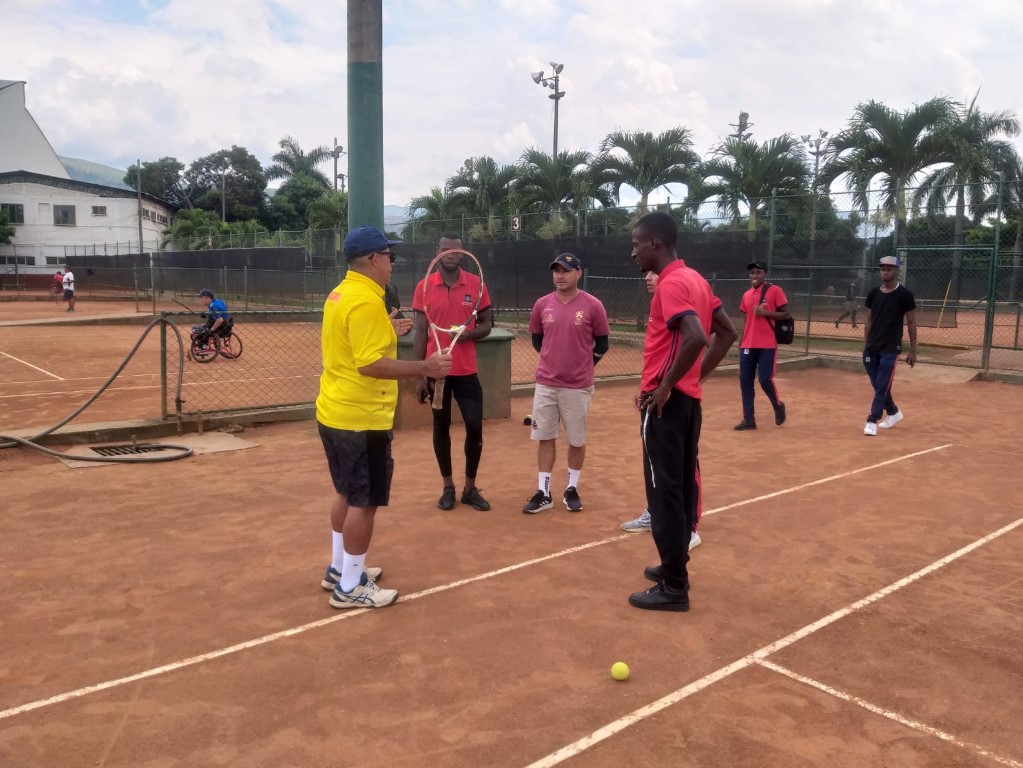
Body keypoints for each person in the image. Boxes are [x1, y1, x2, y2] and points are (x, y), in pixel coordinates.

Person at [317, 226, 451, 609]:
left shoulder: (342, 294)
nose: (392, 263)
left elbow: (351, 340)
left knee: (345, 491)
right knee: (364, 501)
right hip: (361, 419)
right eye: (389, 256)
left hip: (335, 412)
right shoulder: (363, 302)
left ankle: (340, 569)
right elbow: (370, 364)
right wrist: (425, 366)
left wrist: (386, 327)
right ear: (374, 259)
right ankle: (350, 588)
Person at [628, 212, 737, 612]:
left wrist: (667, 385)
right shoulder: (696, 279)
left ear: (655, 242)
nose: (633, 252)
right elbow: (726, 332)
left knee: (664, 494)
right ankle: (673, 566)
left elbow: (694, 337)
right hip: (686, 403)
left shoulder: (671, 285)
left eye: (637, 243)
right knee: (678, 488)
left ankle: (674, 587)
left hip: (666, 407)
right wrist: (693, 379)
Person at [621, 269, 704, 551]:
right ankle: (655, 512)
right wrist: (646, 387)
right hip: (659, 392)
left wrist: (671, 384)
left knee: (683, 468)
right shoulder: (666, 298)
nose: (646, 276)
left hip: (673, 399)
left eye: (653, 272)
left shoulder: (676, 287)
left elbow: (702, 337)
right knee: (659, 468)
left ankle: (690, 527)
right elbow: (659, 355)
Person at [521, 253, 610, 514]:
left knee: (576, 440)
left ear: (578, 273)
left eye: (566, 271)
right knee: (545, 437)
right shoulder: (541, 305)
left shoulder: (593, 306)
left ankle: (571, 488)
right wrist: (553, 361)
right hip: (546, 384)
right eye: (556, 270)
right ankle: (544, 492)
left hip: (578, 386)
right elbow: (538, 340)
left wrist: (583, 365)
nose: (560, 275)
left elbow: (602, 344)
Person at [411, 234, 494, 512]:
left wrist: (468, 335)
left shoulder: (476, 284)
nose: (451, 254)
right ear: (438, 252)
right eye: (445, 249)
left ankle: (470, 489)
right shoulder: (424, 287)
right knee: (440, 427)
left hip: (467, 372)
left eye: (456, 249)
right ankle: (448, 487)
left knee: (474, 426)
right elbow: (421, 333)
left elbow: (486, 324)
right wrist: (421, 374)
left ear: (462, 253)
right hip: (437, 373)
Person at [862, 255, 917, 436]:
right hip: (872, 346)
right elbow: (869, 319)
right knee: (878, 384)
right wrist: (866, 343)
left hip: (891, 347)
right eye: (882, 269)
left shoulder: (905, 295)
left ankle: (872, 420)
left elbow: (911, 323)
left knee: (882, 383)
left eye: (889, 269)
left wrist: (913, 350)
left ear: (896, 271)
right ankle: (892, 411)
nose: (885, 272)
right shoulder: (873, 293)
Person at [733, 260, 788, 431]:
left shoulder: (775, 291)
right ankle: (749, 419)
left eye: (758, 272)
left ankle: (778, 405)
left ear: (765, 274)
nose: (754, 276)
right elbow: (747, 320)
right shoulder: (746, 295)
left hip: (767, 344)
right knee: (745, 381)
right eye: (752, 273)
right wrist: (741, 345)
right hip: (748, 344)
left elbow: (785, 314)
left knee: (765, 379)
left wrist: (765, 312)